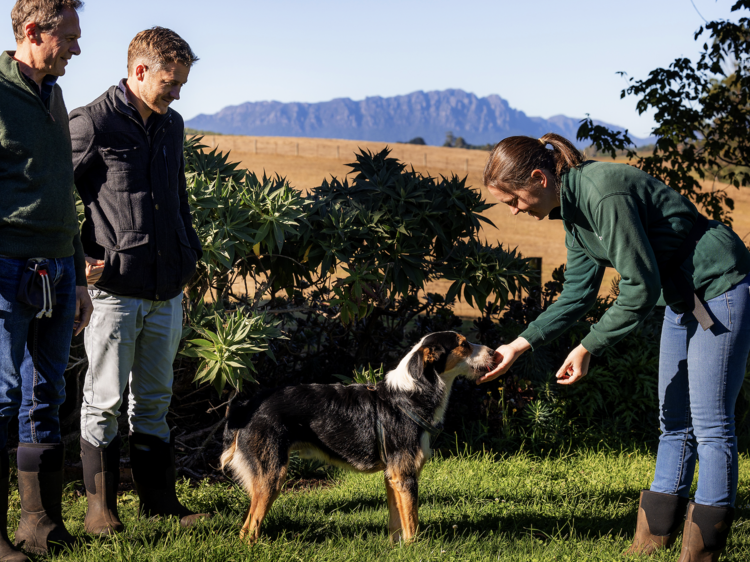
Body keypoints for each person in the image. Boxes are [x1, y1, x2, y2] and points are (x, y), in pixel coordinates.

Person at [479, 133, 750, 562]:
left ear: (537, 178)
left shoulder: (603, 193)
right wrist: (518, 345)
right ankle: (651, 541)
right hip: (680, 296)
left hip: (719, 285)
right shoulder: (572, 210)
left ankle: (700, 554)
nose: (514, 210)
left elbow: (639, 288)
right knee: (673, 419)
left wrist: (588, 346)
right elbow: (577, 293)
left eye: (513, 199)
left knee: (711, 424)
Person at [69, 26, 206, 535]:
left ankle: (160, 505)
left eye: (183, 84)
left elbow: (178, 198)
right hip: (113, 294)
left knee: (154, 402)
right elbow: (50, 192)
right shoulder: (91, 123)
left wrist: (188, 254)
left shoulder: (172, 126)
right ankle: (99, 513)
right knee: (102, 402)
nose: (178, 92)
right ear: (140, 71)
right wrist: (77, 256)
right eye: (171, 81)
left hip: (166, 289)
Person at [0, 1, 92, 559]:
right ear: (35, 32)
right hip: (6, 267)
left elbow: (63, 199)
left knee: (45, 395)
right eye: (70, 38)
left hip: (58, 269)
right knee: (2, 397)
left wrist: (77, 277)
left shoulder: (53, 96)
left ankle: (40, 526)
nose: (77, 49)